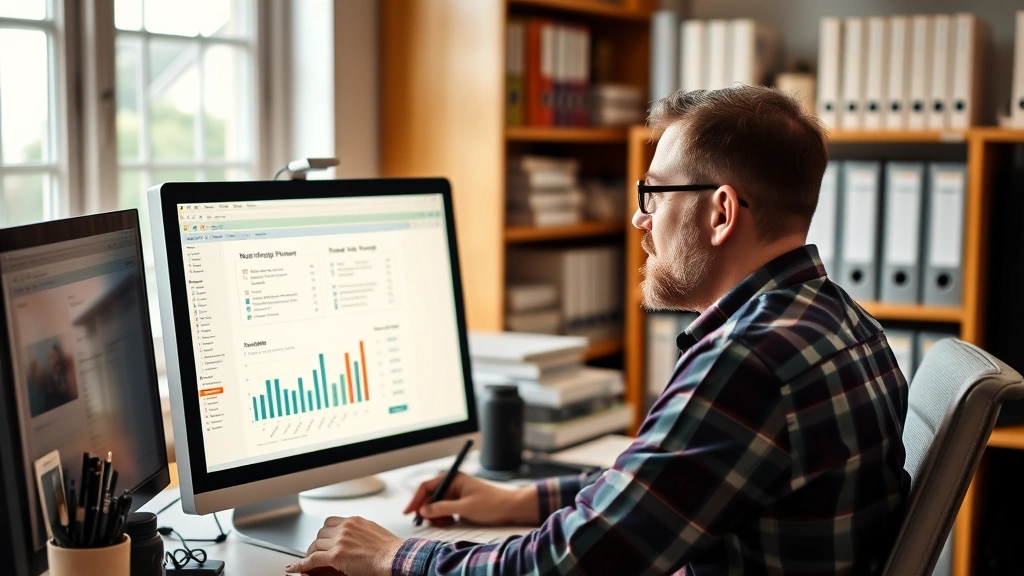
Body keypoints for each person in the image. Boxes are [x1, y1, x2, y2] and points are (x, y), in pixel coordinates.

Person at [286, 86, 910, 576]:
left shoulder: (749, 360)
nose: (640, 218)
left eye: (656, 193)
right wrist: (518, 500)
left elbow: (566, 565)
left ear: (721, 212)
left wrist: (393, 556)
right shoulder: (844, 322)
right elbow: (668, 484)